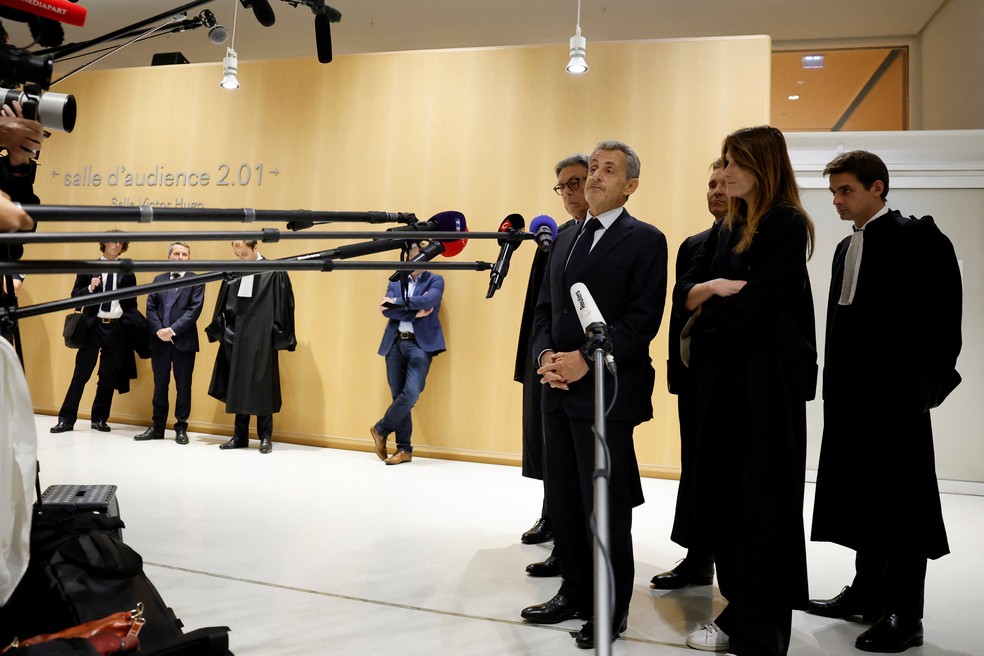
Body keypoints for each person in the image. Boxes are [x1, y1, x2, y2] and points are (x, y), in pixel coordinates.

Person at [807, 150, 962, 653]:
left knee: (901, 507)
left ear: (878, 188)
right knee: (860, 498)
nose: (837, 201)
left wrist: (924, 390)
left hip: (896, 404)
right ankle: (868, 593)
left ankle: (906, 614)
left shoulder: (920, 239)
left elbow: (944, 320)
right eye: (833, 192)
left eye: (846, 190)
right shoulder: (845, 248)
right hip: (852, 402)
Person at [674, 126, 816, 656]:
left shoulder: (784, 223)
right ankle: (739, 609)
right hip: (729, 387)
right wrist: (709, 293)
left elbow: (757, 308)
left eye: (734, 163)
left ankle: (762, 625)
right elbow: (686, 288)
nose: (725, 172)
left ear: (762, 166)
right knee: (731, 503)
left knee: (763, 504)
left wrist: (708, 305)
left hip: (763, 391)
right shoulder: (730, 225)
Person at [523, 140, 667, 649]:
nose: (595, 177)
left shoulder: (645, 240)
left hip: (606, 395)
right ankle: (575, 591)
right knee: (563, 499)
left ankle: (610, 607)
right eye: (594, 169)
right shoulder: (565, 238)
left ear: (629, 185)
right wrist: (545, 358)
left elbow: (642, 320)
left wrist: (586, 359)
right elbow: (545, 309)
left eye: (609, 171)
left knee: (603, 507)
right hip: (557, 389)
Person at [650, 158, 726, 591]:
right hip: (695, 373)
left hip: (732, 375)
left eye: (723, 183)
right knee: (694, 466)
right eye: (710, 183)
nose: (715, 190)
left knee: (723, 470)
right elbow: (679, 311)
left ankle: (726, 560)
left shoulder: (757, 241)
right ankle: (698, 557)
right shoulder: (693, 244)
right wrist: (676, 375)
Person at [515, 154, 588, 576]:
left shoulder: (616, 238)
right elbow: (539, 307)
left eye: (577, 181)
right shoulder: (555, 239)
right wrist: (540, 356)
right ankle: (557, 526)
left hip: (589, 367)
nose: (571, 191)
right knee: (551, 451)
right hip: (549, 362)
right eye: (563, 186)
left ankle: (577, 549)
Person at [51, 235, 149, 433]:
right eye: (113, 241)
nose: (116, 244)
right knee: (80, 374)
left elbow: (132, 303)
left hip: (117, 329)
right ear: (103, 243)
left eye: (120, 242)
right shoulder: (89, 267)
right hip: (93, 327)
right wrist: (90, 287)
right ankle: (66, 419)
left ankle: (99, 418)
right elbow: (75, 297)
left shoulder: (127, 271)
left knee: (108, 377)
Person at [205, 240, 296, 455]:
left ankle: (265, 436)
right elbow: (224, 304)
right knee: (238, 385)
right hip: (236, 335)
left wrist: (277, 334)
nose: (240, 258)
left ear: (255, 248)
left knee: (262, 385)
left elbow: (284, 306)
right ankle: (240, 436)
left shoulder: (274, 271)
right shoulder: (234, 271)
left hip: (262, 337)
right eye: (237, 254)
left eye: (244, 254)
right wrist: (223, 330)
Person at [369, 243, 445, 465]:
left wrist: (398, 304)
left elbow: (429, 301)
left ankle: (381, 429)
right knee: (397, 396)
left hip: (419, 345)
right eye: (415, 250)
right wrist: (415, 312)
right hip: (394, 344)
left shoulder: (435, 280)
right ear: (408, 254)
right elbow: (385, 309)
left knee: (410, 394)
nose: (420, 254)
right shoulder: (395, 279)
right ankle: (404, 450)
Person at [133, 242, 205, 445]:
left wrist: (172, 330)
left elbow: (194, 310)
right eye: (177, 253)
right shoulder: (159, 279)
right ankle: (157, 427)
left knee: (183, 386)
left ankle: (181, 427)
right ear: (169, 257)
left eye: (184, 254)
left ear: (188, 258)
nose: (181, 257)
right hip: (159, 342)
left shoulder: (196, 280)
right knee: (160, 386)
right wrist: (160, 331)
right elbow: (150, 308)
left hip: (184, 342)